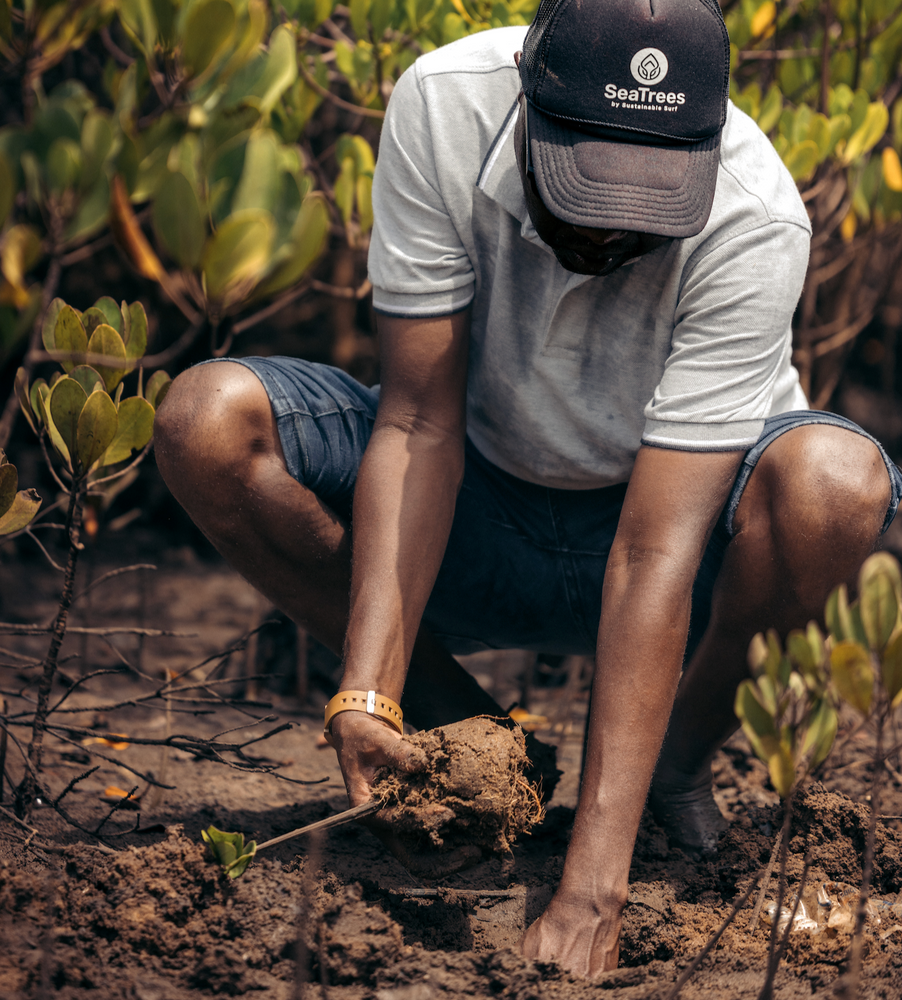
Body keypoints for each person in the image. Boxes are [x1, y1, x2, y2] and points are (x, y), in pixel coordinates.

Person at [153, 0, 901, 977]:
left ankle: (672, 772)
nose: (609, 229)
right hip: (477, 506)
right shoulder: (445, 105)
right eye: (586, 184)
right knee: (205, 421)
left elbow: (655, 550)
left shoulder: (754, 215)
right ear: (527, 105)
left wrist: (592, 891)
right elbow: (417, 422)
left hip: (676, 549)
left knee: (836, 485)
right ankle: (466, 738)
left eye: (648, 199)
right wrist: (368, 688)